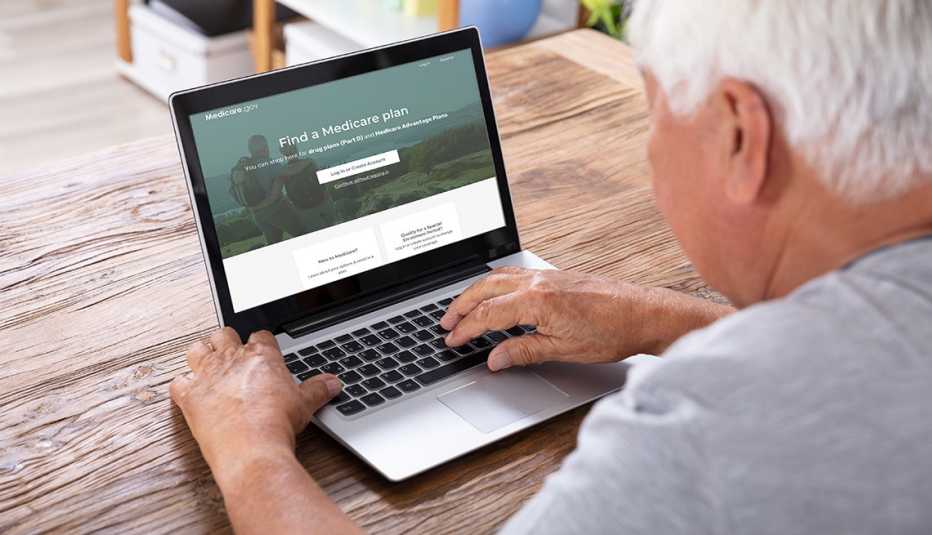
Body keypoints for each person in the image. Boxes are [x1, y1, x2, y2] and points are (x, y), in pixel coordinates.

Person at [169, 2, 932, 533]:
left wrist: (251, 455)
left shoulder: (710, 426)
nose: (651, 144)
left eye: (654, 110)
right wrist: (673, 318)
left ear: (740, 136)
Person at [235, 135, 307, 246]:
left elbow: (234, 191)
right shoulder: (268, 163)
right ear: (264, 147)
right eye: (266, 146)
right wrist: (308, 162)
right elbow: (291, 171)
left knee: (274, 244)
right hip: (278, 209)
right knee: (303, 234)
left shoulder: (242, 167)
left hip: (258, 214)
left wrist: (254, 207)